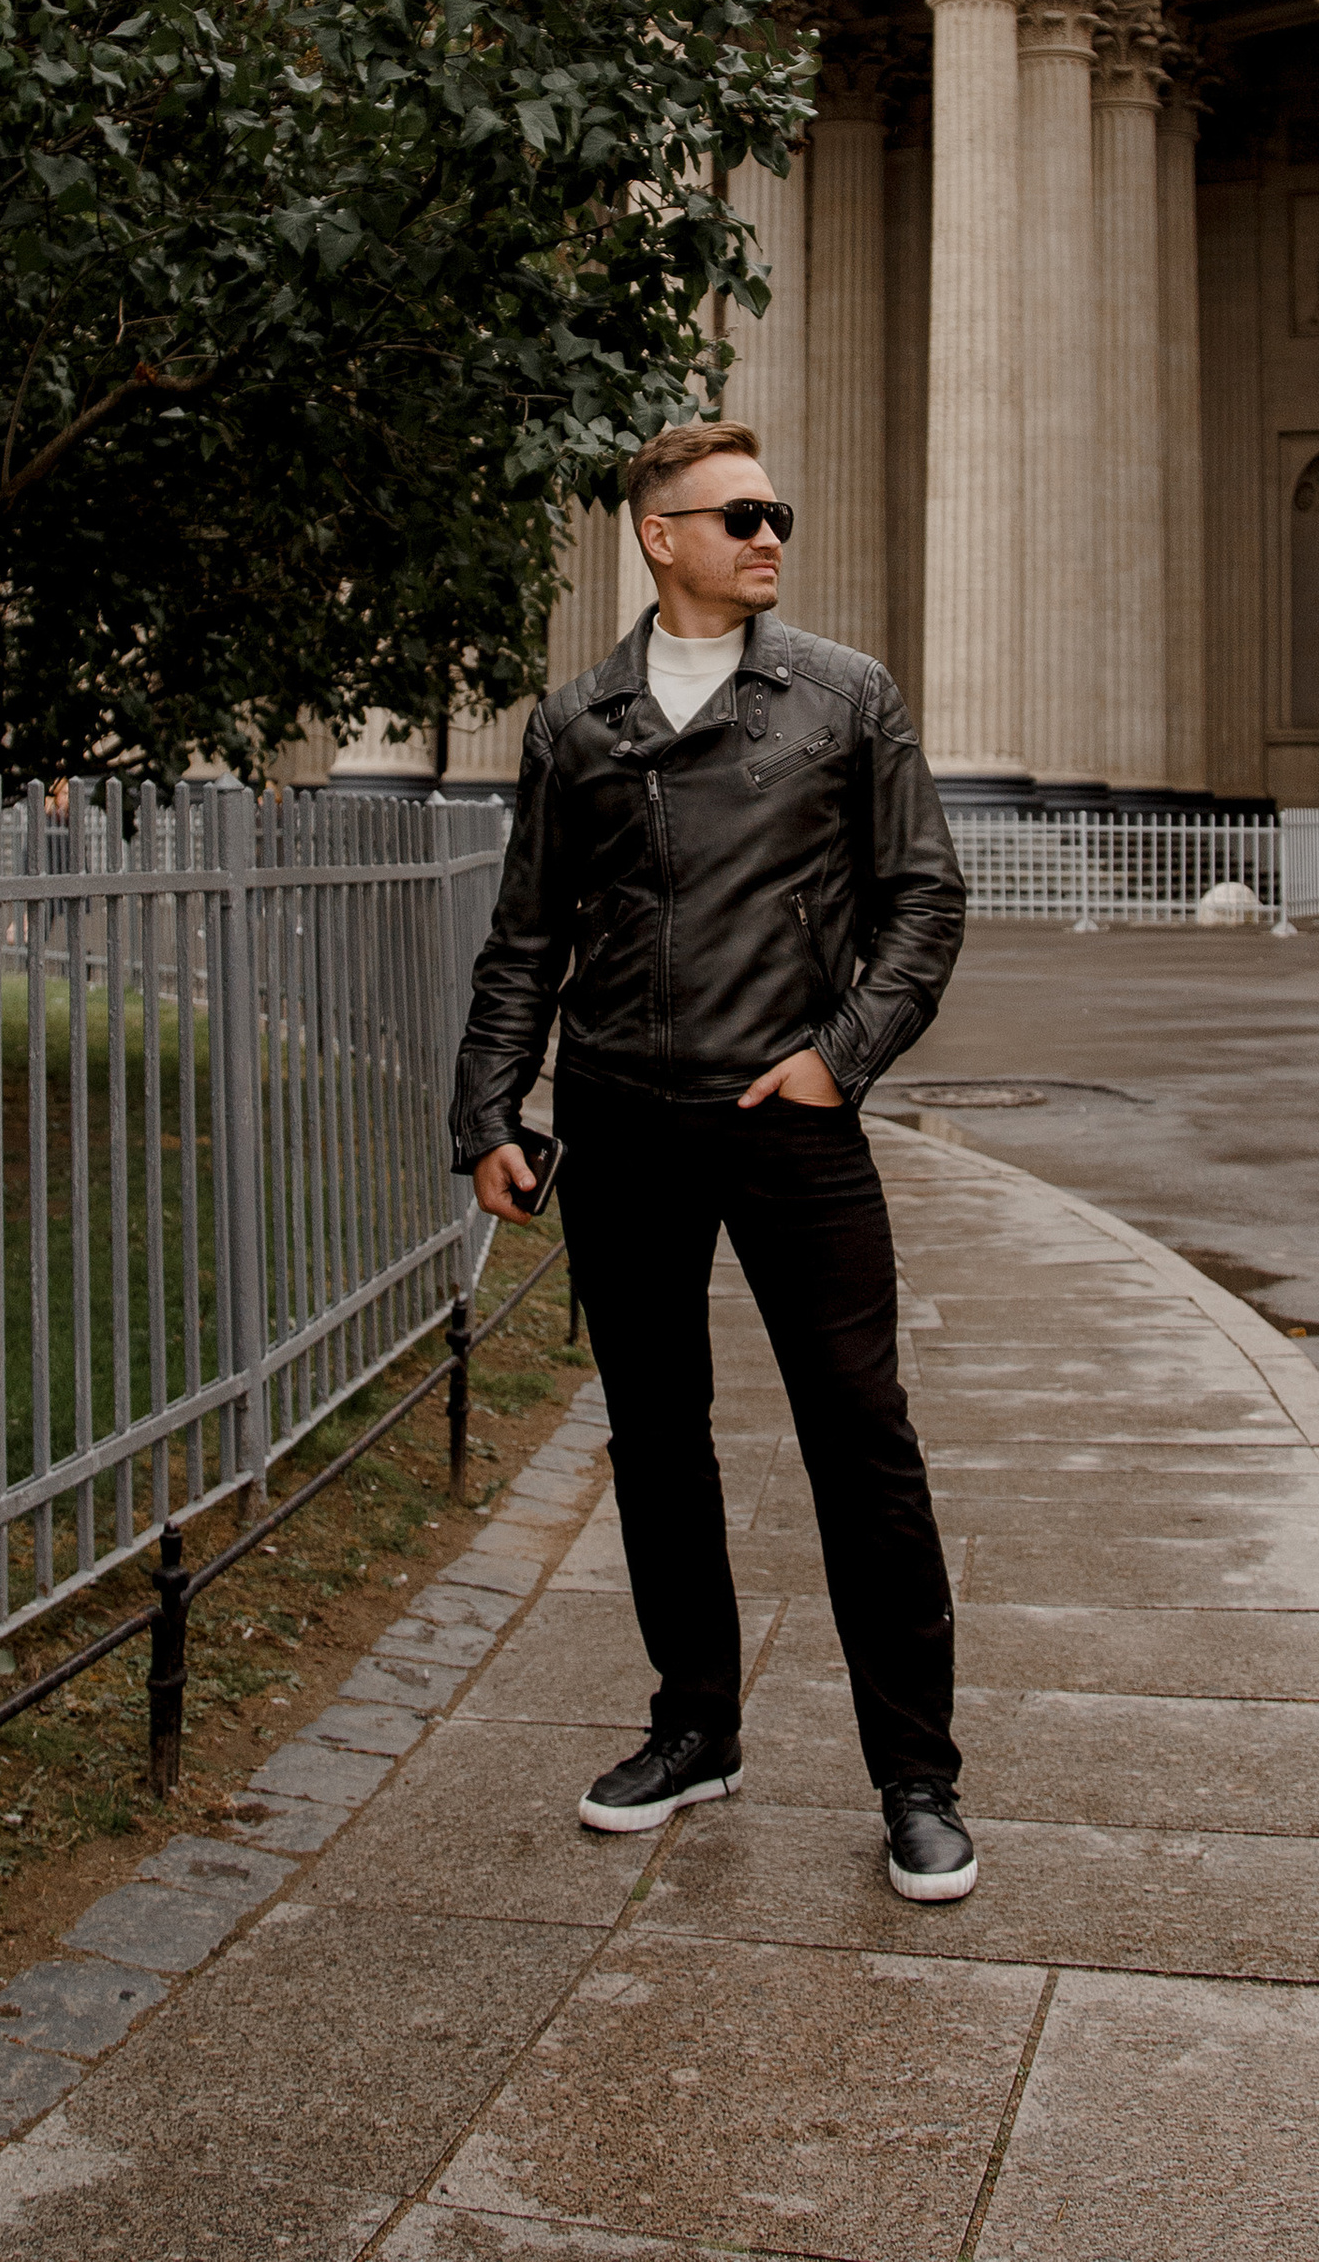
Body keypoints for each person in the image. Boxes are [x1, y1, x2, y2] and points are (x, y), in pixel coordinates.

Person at [451, 419, 975, 1901]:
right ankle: (697, 1729)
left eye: (778, 513)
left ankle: (918, 1782)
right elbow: (524, 942)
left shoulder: (842, 700)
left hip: (788, 1126)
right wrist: (490, 1114)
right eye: (737, 514)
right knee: (659, 1441)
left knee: (862, 1443)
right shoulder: (577, 726)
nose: (768, 536)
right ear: (658, 535)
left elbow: (924, 899)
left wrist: (838, 1057)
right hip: (620, 1124)